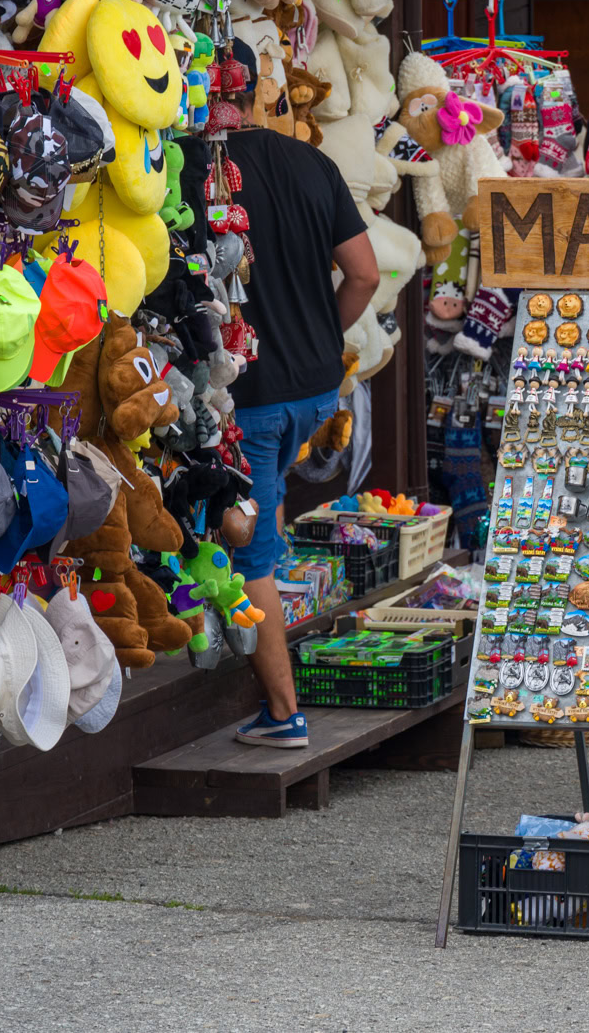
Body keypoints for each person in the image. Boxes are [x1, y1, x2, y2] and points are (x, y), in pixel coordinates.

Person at [223, 124, 378, 748]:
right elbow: (364, 274)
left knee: (250, 555)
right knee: (267, 505)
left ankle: (283, 713)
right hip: (315, 390)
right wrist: (321, 338)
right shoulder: (313, 161)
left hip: (252, 395)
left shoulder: (199, 164)